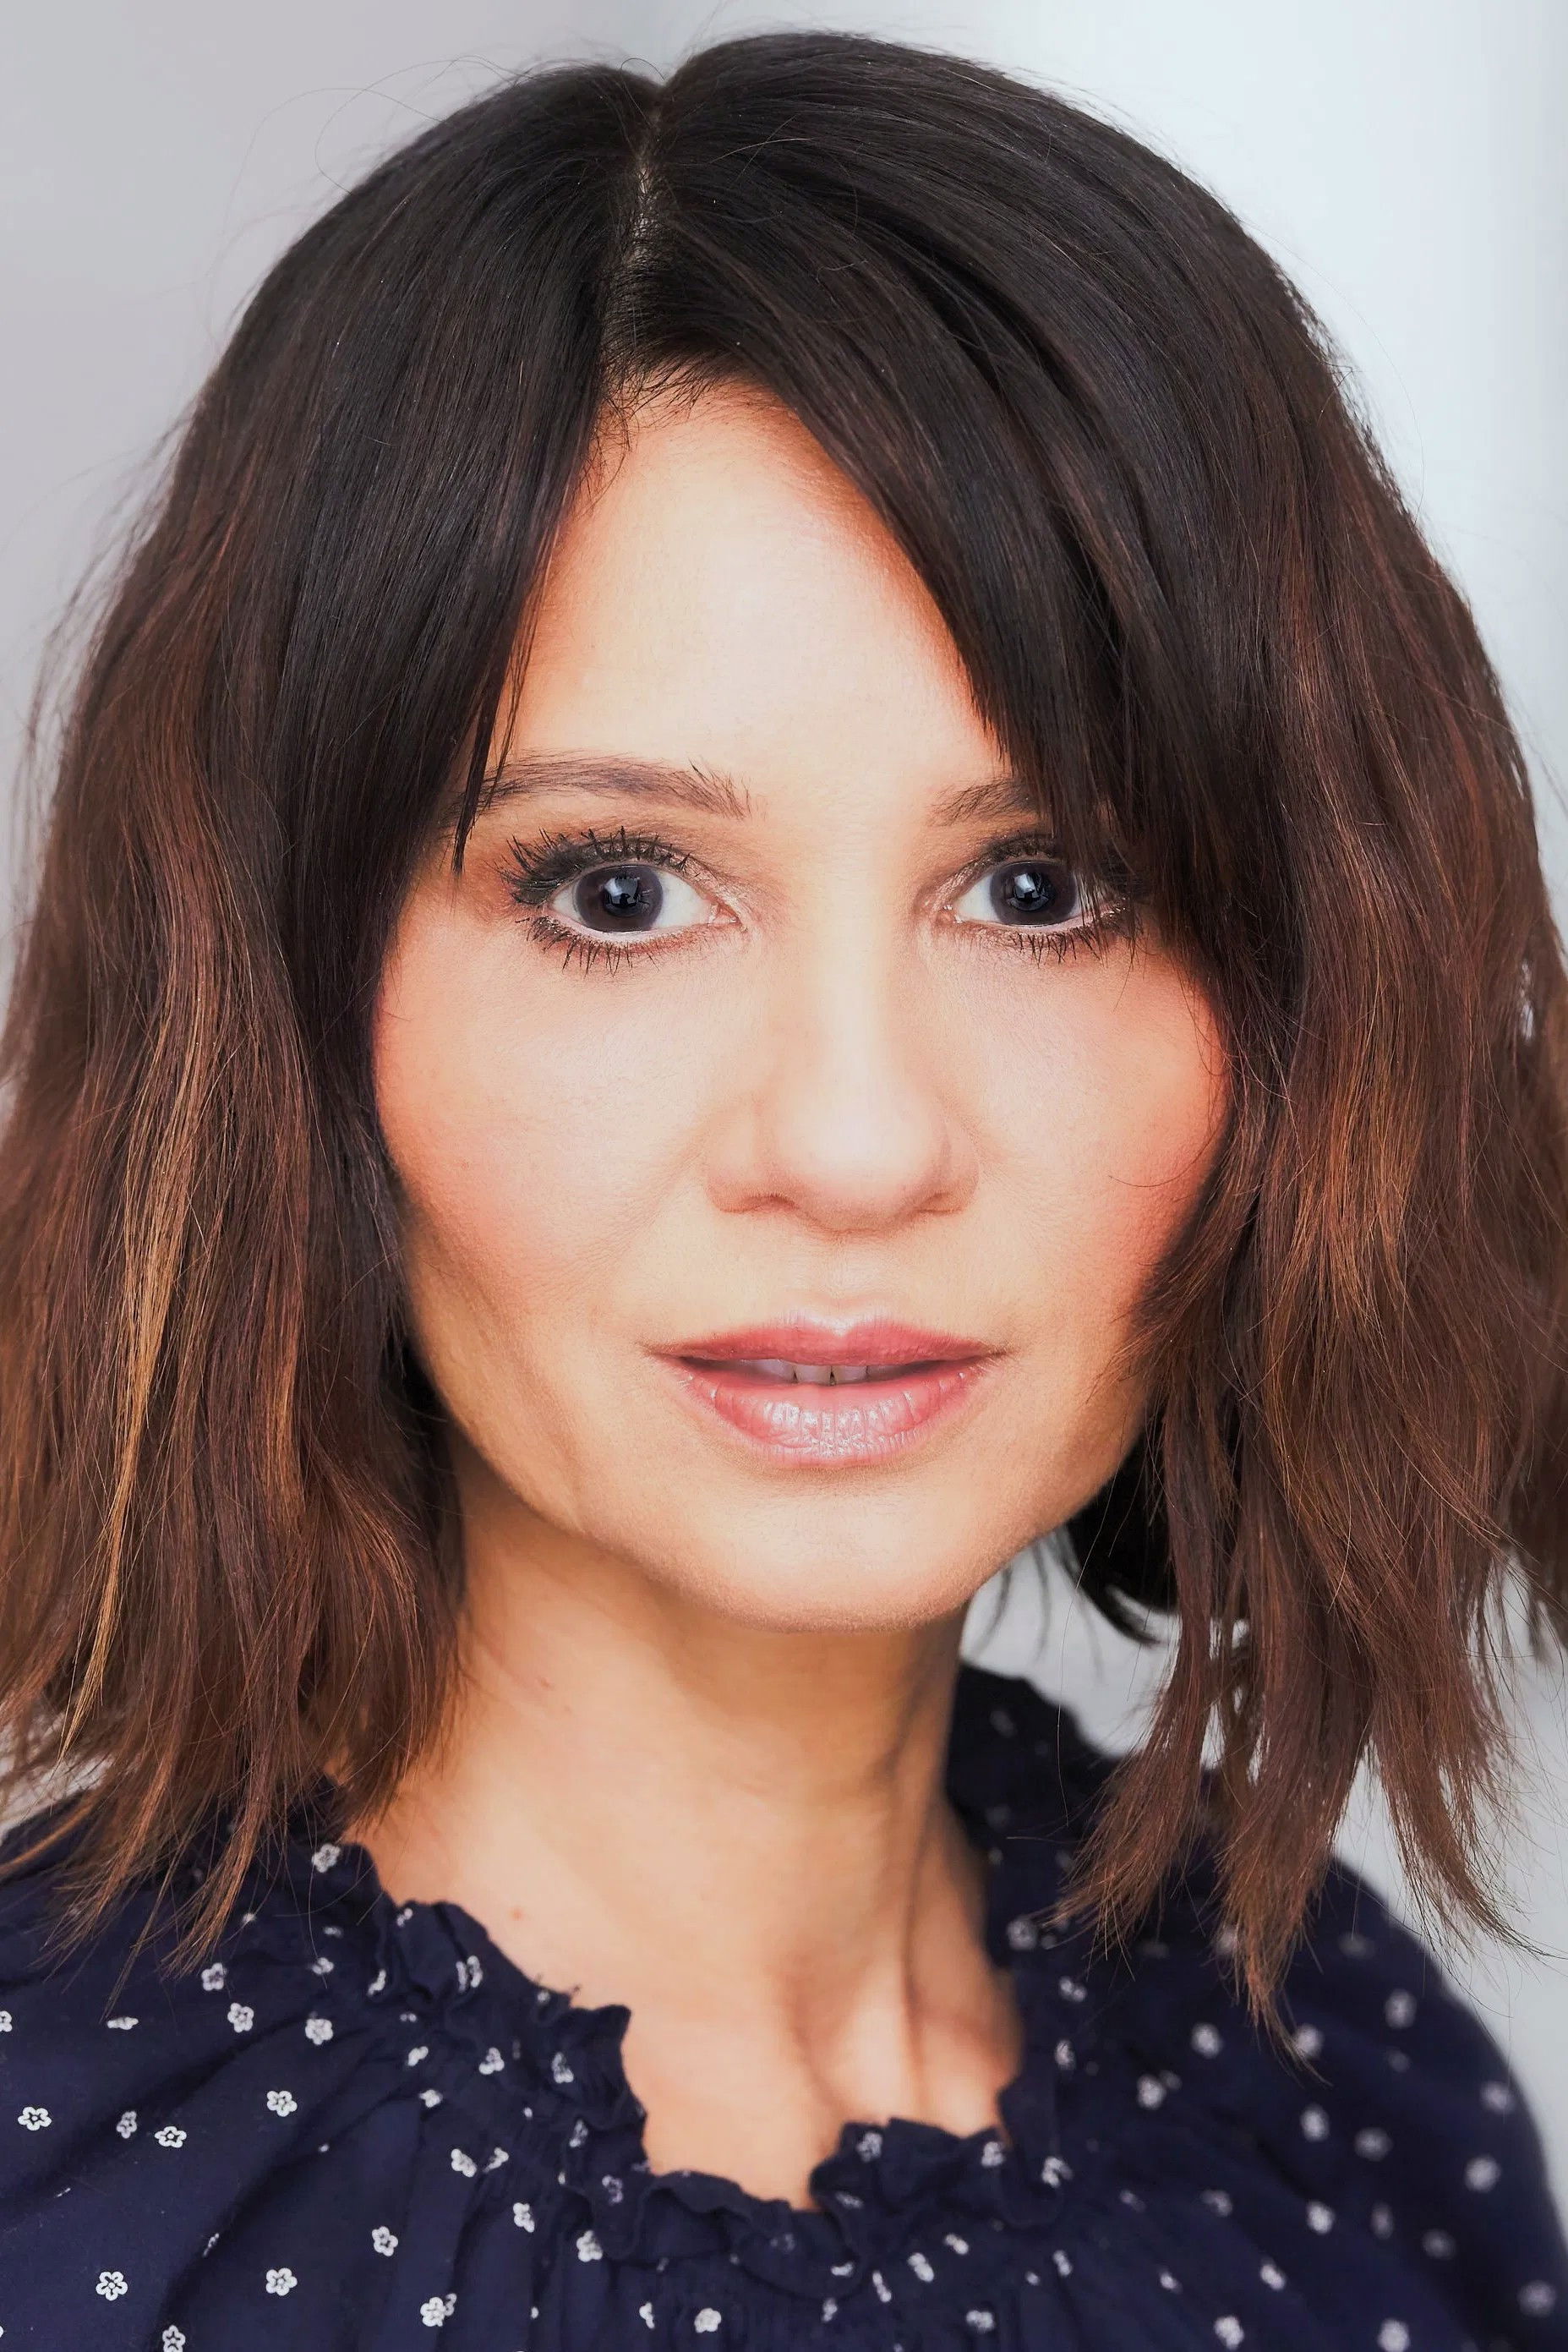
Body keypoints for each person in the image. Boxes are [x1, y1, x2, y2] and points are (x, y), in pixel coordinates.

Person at [0, 26, 1563, 2349]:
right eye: (616, 892)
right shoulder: (68, 2196)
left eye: (1044, 890)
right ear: (289, 1004)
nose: (853, 1141)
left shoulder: (1341, 2095)